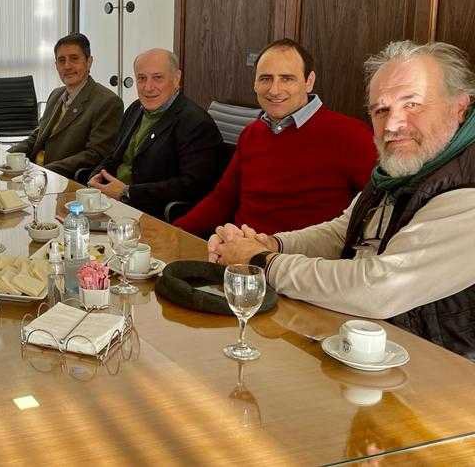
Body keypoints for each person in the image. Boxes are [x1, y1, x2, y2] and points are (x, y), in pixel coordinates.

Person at [210, 41, 475, 360]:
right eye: (381, 110)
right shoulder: (404, 165)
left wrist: (262, 262)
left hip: (444, 375)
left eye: (412, 105)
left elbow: (379, 288)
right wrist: (272, 244)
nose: (392, 125)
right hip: (365, 344)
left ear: (459, 106)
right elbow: (342, 232)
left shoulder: (466, 188)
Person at [174, 38, 376, 236]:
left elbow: (381, 206)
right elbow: (223, 199)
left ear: (309, 82)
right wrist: (175, 233)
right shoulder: (252, 133)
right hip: (240, 258)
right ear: (254, 83)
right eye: (265, 78)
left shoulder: (350, 134)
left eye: (287, 78)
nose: (274, 90)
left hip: (300, 263)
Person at [76, 48, 224, 219]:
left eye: (158, 78)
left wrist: (128, 192)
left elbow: (193, 186)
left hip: (151, 213)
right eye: (141, 78)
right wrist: (95, 178)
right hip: (111, 203)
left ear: (176, 79)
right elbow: (115, 156)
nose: (148, 87)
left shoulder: (196, 122)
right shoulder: (135, 109)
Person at [8, 33, 122, 179]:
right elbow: (38, 136)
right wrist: (8, 156)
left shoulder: (107, 102)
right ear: (56, 66)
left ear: (89, 62)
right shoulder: (56, 94)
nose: (67, 66)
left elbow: (95, 154)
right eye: (61, 60)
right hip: (34, 175)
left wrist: (43, 171)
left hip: (63, 180)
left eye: (74, 59)